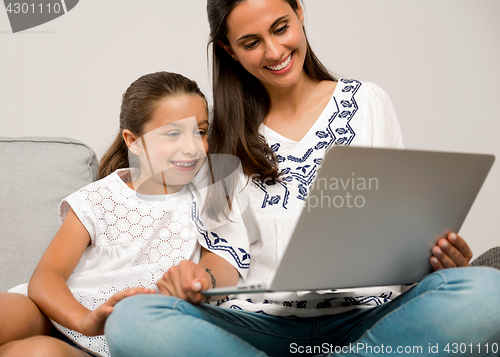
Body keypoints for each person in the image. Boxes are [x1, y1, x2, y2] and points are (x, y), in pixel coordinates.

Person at [104, 1, 500, 356]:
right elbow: (226, 251)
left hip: (369, 320)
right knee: (133, 318)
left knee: (488, 293)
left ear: (300, 12)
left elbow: (399, 225)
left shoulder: (367, 104)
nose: (274, 52)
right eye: (251, 42)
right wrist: (200, 276)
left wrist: (439, 260)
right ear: (229, 50)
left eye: (280, 28)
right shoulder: (222, 134)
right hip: (262, 326)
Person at [0, 71, 248, 357]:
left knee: (35, 353)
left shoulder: (210, 196)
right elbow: (46, 276)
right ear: (133, 141)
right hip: (62, 312)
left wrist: (201, 279)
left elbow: (222, 264)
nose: (193, 147)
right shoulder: (100, 197)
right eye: (173, 133)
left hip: (119, 337)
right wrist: (82, 320)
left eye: (200, 132)